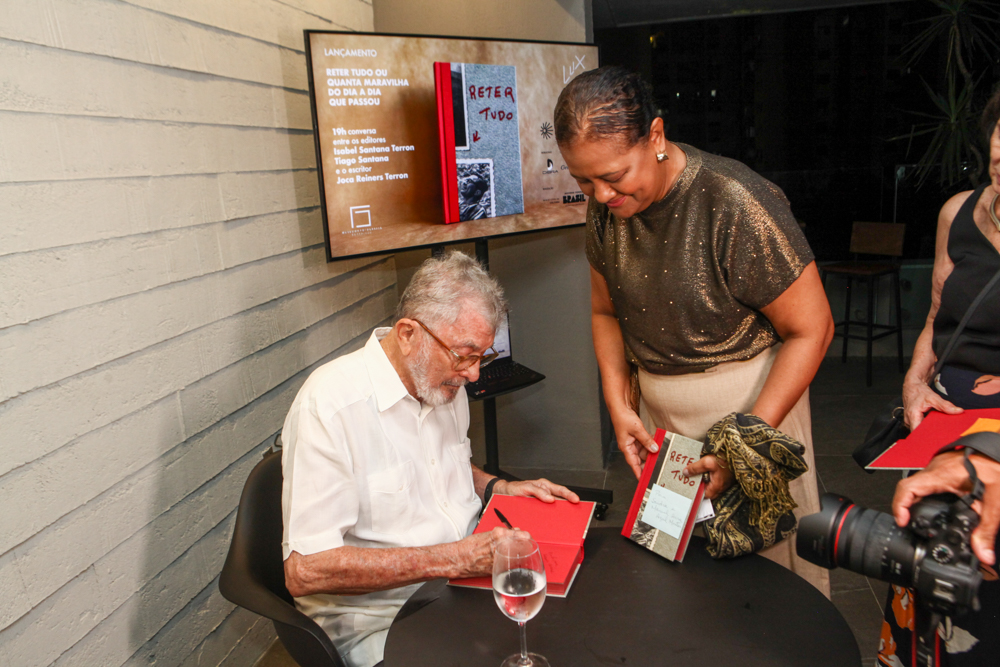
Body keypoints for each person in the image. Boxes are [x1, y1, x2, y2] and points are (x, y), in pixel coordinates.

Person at [554, 66, 834, 594]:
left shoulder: (734, 200)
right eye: (583, 181)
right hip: (662, 421)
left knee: (767, 586)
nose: (600, 195)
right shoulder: (604, 209)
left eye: (613, 176)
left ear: (655, 137)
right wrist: (619, 405)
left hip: (752, 408)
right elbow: (605, 313)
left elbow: (812, 329)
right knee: (683, 587)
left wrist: (744, 443)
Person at [281, 251, 578, 667]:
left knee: (570, 634)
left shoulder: (441, 382)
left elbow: (441, 466)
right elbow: (306, 570)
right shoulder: (331, 406)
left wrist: (498, 487)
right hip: (382, 621)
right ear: (407, 334)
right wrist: (455, 557)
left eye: (482, 356)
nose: (474, 374)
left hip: (458, 590)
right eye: (465, 355)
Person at [877, 86, 1000, 667]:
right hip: (945, 424)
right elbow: (936, 317)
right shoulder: (958, 211)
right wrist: (915, 383)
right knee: (922, 557)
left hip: (996, 442)